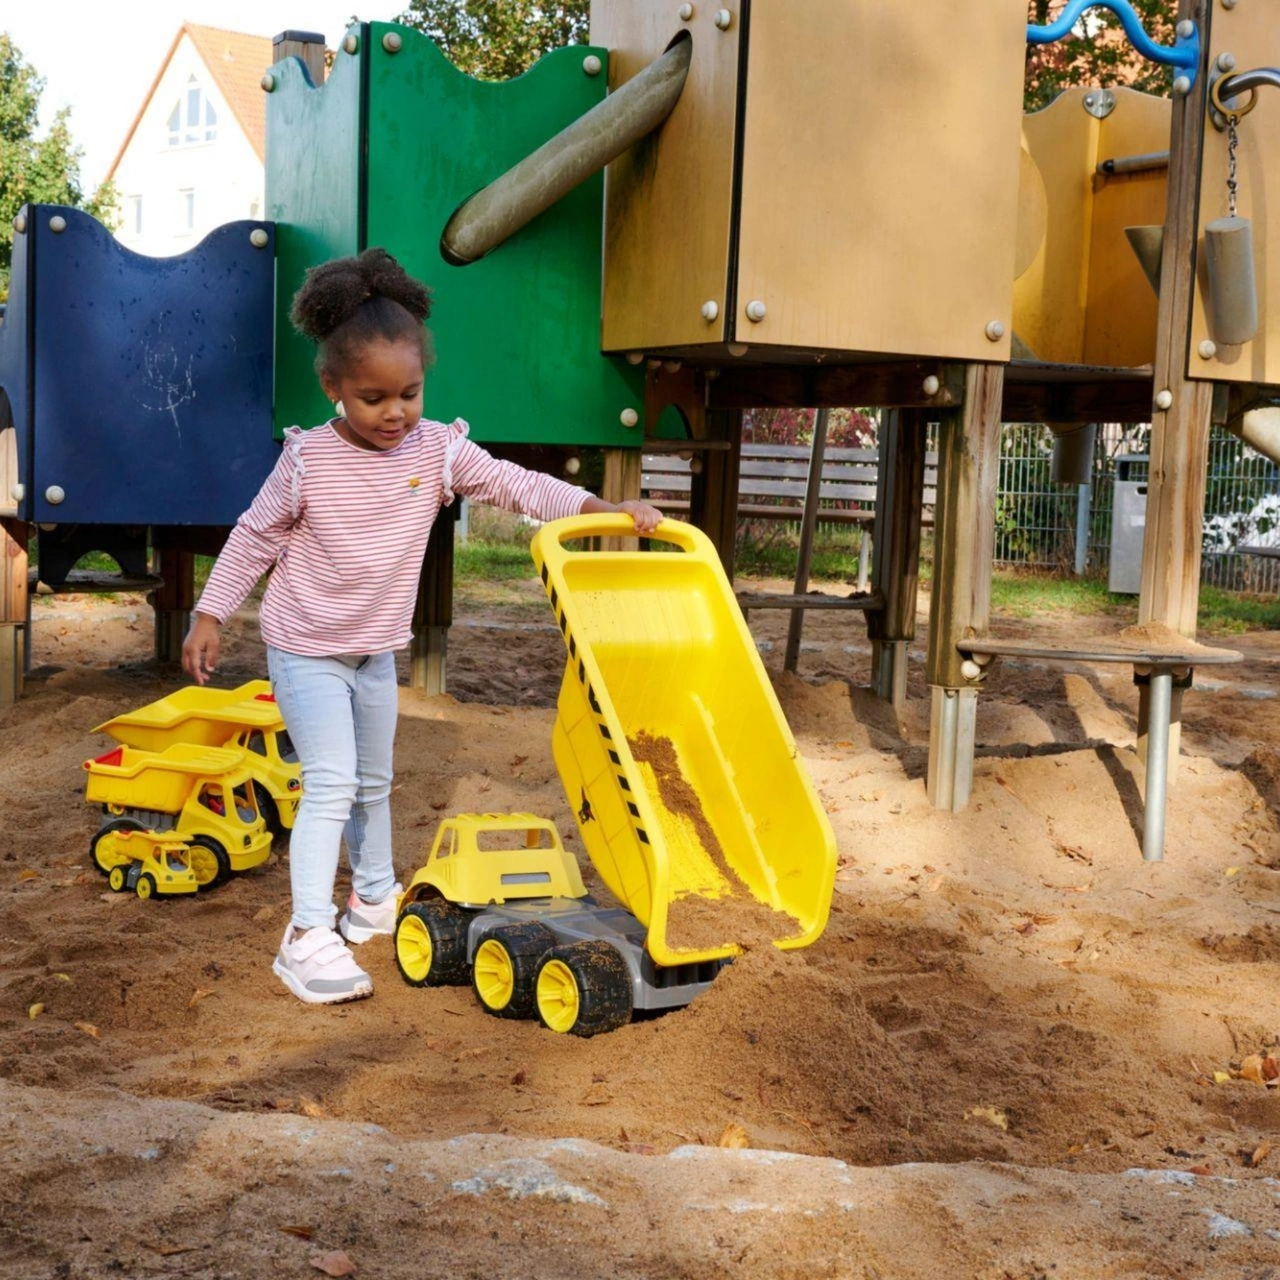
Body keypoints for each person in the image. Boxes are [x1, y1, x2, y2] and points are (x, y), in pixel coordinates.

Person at [181, 247, 661, 1006]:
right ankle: (305, 935)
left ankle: (373, 897)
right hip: (305, 648)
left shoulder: (436, 449)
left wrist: (599, 508)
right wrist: (210, 612)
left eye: (409, 393)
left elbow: (513, 484)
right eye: (372, 397)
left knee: (373, 781)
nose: (394, 412)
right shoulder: (309, 461)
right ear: (333, 386)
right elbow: (253, 537)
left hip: (373, 652)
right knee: (332, 781)